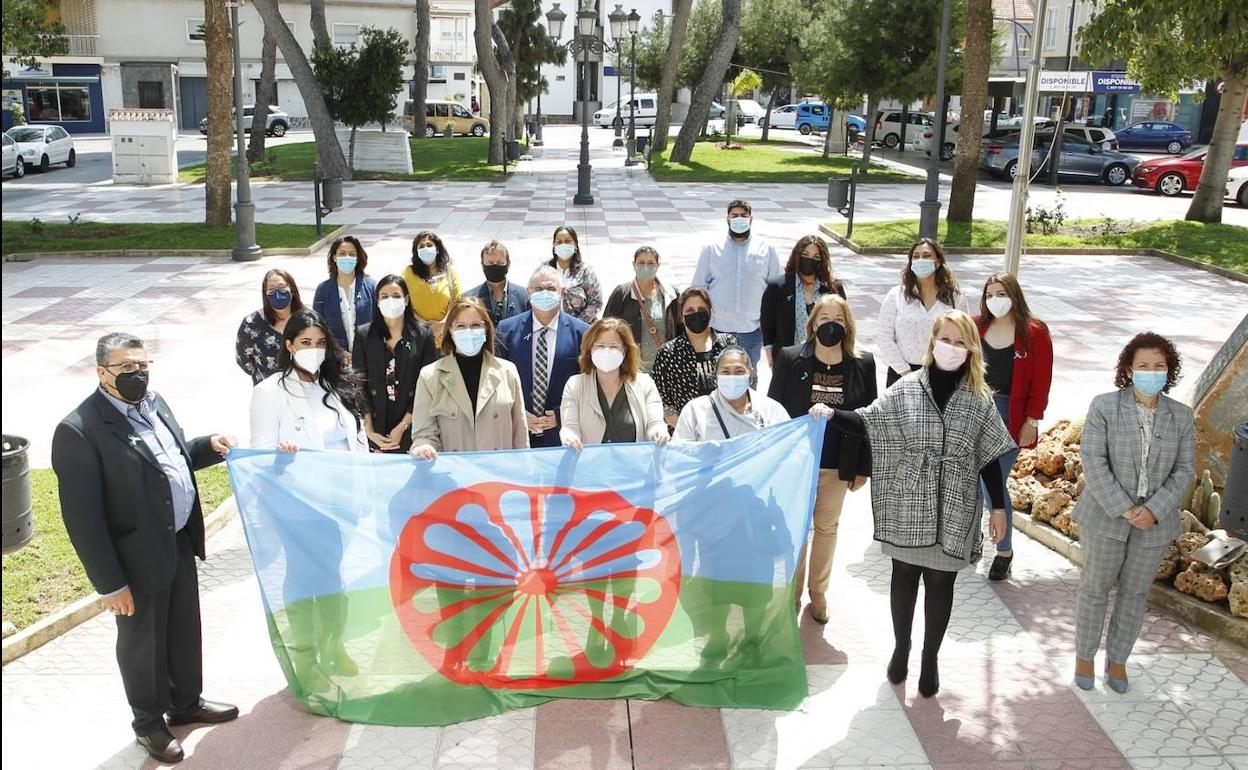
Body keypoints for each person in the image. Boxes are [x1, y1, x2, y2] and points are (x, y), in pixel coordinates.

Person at [52, 333, 239, 764]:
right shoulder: (80, 430)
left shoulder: (154, 403)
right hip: (132, 558)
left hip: (175, 541)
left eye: (142, 365)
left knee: (182, 627)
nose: (138, 374)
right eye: (126, 368)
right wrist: (110, 584)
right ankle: (149, 724)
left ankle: (186, 701)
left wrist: (205, 447)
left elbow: (169, 458)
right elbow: (82, 519)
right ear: (102, 373)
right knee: (143, 644)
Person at [821, 310, 1014, 698]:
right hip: (909, 498)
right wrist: (829, 414)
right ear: (932, 342)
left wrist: (996, 509)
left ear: (971, 349)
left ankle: (930, 657)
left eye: (961, 342)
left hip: (956, 501)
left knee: (942, 581)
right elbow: (869, 422)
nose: (952, 348)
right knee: (905, 575)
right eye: (946, 339)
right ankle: (901, 647)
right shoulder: (908, 387)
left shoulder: (979, 398)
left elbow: (990, 454)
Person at [249, 311, 367, 697]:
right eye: (305, 343)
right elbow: (259, 453)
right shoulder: (270, 392)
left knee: (333, 576)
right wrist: (280, 454)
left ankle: (334, 647)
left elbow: (357, 439)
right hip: (298, 506)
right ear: (289, 346)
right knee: (302, 579)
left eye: (319, 343)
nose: (313, 351)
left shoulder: (337, 385)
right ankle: (306, 660)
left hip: (341, 501)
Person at [1073, 333, 1194, 694]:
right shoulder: (1105, 407)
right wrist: (1126, 507)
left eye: (1159, 366)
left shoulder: (1181, 416)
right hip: (1105, 517)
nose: (1151, 372)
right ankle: (1084, 657)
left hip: (1153, 526)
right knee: (1095, 589)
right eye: (1143, 366)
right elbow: (1093, 461)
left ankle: (1118, 660)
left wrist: (1153, 510)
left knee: (1134, 594)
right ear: (1129, 368)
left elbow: (1185, 470)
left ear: (1169, 371)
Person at [768, 295, 876, 623]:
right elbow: (774, 411)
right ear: (813, 324)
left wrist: (862, 468)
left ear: (848, 325)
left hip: (837, 462)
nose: (831, 324)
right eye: (824, 317)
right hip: (798, 462)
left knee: (826, 527)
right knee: (798, 530)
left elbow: (869, 418)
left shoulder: (863, 363)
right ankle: (794, 590)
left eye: (839, 319)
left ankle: (818, 590)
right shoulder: (790, 358)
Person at [975, 272, 1054, 581]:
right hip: (975, 412)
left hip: (1011, 416)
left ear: (1015, 295)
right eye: (990, 294)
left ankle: (1004, 551)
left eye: (1002, 293)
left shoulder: (1034, 332)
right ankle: (976, 537)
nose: (996, 299)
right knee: (974, 483)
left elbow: (1041, 381)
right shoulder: (976, 326)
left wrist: (1032, 420)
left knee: (991, 481)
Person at [410, 297, 530, 458]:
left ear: (486, 329)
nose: (468, 331)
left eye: (475, 325)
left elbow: (520, 436)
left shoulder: (507, 371)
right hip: (455, 477)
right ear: (450, 331)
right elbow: (423, 434)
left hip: (498, 476)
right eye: (460, 326)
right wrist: (423, 447)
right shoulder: (430, 376)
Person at [496, 265, 589, 448]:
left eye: (551, 289)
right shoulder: (506, 330)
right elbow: (496, 382)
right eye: (538, 289)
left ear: (561, 293)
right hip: (518, 434)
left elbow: (587, 385)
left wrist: (561, 414)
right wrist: (518, 413)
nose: (544, 293)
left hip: (563, 438)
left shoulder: (582, 333)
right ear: (529, 292)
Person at [690, 199, 781, 376]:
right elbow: (698, 288)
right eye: (735, 215)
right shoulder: (711, 249)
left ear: (751, 219)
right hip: (718, 329)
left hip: (752, 330)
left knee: (748, 377)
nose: (739, 219)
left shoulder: (767, 249)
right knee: (716, 377)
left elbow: (775, 289)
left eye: (743, 216)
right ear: (727, 219)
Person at [352, 275, 440, 453]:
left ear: (406, 299)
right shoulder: (364, 335)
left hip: (413, 424)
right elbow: (359, 384)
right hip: (375, 426)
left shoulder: (423, 335)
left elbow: (429, 384)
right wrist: (369, 430)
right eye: (384, 296)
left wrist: (403, 426)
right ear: (377, 301)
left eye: (396, 295)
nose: (390, 300)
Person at [559, 318, 669, 449]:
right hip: (590, 466)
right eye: (600, 346)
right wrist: (569, 437)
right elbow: (569, 427)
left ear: (624, 350)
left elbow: (656, 423)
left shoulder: (645, 384)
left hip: (634, 467)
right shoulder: (574, 385)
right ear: (590, 349)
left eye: (613, 346)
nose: (606, 351)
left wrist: (658, 432)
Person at [876, 238, 969, 387]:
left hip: (942, 374)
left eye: (926, 256)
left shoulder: (955, 297)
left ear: (938, 262)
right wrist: (906, 372)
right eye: (916, 256)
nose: (920, 260)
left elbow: (965, 336)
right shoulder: (897, 295)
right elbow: (883, 336)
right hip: (902, 374)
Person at [651, 288, 739, 429]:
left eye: (701, 309)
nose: (696, 314)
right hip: (685, 435)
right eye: (690, 311)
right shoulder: (667, 353)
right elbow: (663, 402)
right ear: (681, 315)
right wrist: (688, 430)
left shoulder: (728, 345)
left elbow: (740, 388)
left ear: (710, 311)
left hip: (727, 430)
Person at [760, 234, 846, 366]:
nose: (810, 260)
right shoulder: (777, 287)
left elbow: (844, 323)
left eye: (816, 257)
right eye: (805, 254)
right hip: (789, 360)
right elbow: (767, 324)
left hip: (826, 359)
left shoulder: (833, 288)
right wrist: (771, 358)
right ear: (797, 255)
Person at [673, 346, 790, 441]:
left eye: (739, 371)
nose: (732, 377)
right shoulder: (695, 410)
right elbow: (681, 455)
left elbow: (789, 446)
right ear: (716, 375)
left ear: (750, 373)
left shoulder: (771, 409)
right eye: (725, 372)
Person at [602, 245, 681, 373]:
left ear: (658, 265)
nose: (646, 267)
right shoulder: (621, 293)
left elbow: (680, 328)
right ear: (634, 264)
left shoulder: (671, 294)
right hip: (631, 367)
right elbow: (606, 327)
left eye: (650, 263)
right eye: (641, 263)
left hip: (664, 368)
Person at [236, 269, 305, 385]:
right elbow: (243, 360)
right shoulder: (251, 323)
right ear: (265, 294)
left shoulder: (308, 319)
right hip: (268, 390)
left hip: (303, 388)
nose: (278, 294)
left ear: (292, 289)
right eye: (271, 290)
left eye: (282, 287)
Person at [312, 236, 377, 352]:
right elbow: (317, 327)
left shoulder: (371, 287)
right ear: (334, 257)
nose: (347, 257)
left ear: (357, 259)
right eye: (342, 254)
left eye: (351, 254)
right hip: (337, 359)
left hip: (368, 356)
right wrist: (340, 353)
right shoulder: (323, 290)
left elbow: (380, 323)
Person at [402, 230, 463, 340]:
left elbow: (457, 300)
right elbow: (403, 301)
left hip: (446, 334)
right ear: (416, 251)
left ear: (437, 249)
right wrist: (427, 326)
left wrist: (443, 324)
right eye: (421, 246)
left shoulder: (449, 271)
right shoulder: (408, 273)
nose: (425, 248)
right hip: (419, 334)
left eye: (429, 245)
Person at [463, 239, 530, 324]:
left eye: (500, 263)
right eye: (490, 263)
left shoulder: (523, 296)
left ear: (508, 264)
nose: (495, 266)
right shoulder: (470, 298)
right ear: (482, 265)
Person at [547, 225, 603, 322]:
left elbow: (596, 303)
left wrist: (576, 325)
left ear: (576, 245)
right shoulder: (545, 270)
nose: (563, 245)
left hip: (580, 330)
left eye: (568, 241)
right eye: (559, 242)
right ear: (554, 246)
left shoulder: (586, 272)